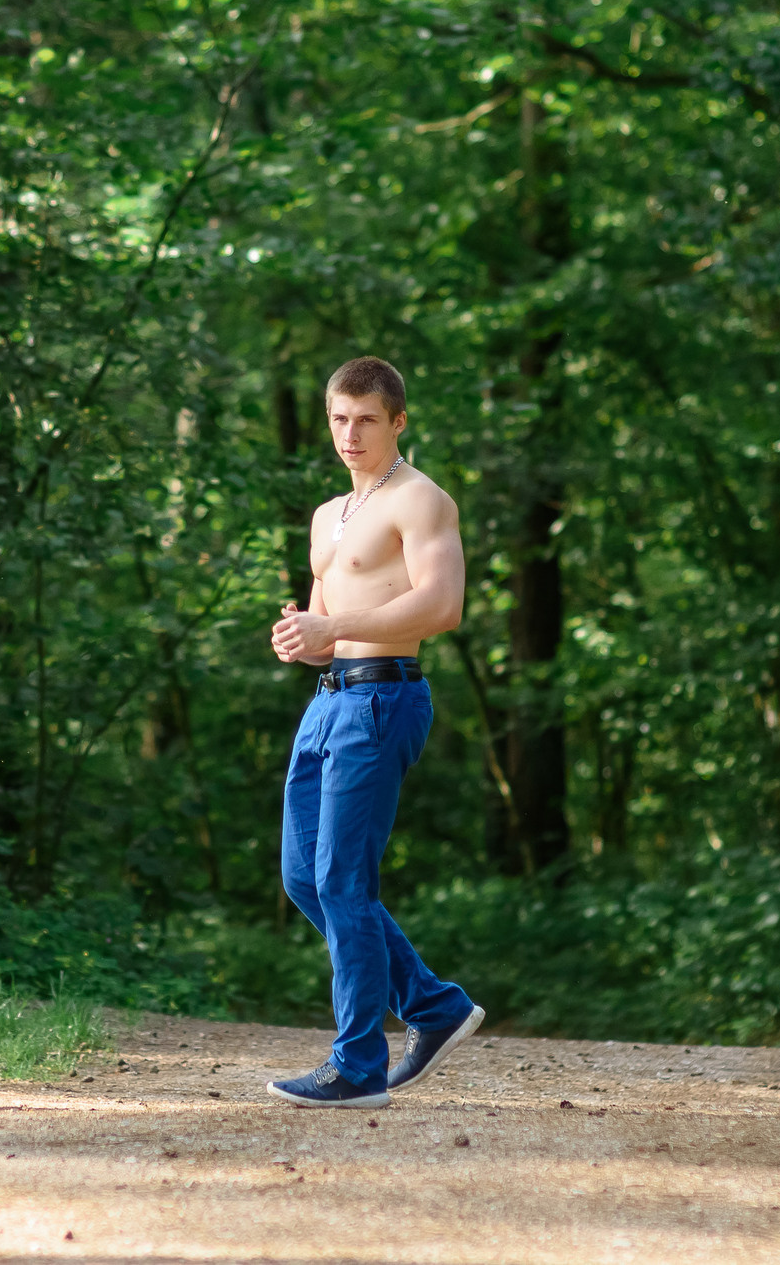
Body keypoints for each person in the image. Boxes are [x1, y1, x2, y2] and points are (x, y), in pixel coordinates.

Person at [264, 356, 486, 1108]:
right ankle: (434, 1005)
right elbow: (328, 631)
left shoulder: (423, 501)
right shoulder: (330, 515)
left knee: (343, 880)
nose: (350, 433)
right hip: (328, 699)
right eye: (338, 418)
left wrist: (336, 624)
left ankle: (358, 1063)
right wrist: (304, 637)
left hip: (384, 700)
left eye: (365, 418)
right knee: (305, 876)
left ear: (398, 421)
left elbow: (443, 604)